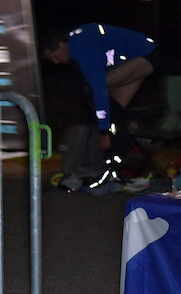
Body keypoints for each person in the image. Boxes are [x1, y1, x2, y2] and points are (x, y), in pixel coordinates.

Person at [43, 23, 158, 190]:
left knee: (95, 91)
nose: (56, 62)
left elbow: (99, 90)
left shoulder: (81, 47)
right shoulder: (75, 43)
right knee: (115, 109)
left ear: (61, 45)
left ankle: (120, 152)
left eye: (54, 56)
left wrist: (103, 132)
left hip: (146, 54)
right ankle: (121, 163)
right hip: (130, 58)